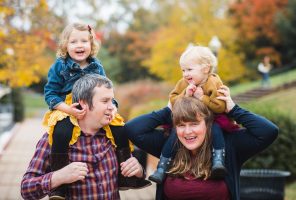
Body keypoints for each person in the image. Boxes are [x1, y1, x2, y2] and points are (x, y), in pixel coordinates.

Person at [43, 23, 147, 198]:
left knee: (120, 129)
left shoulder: (96, 66)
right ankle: (58, 185)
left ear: (91, 45)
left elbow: (106, 89)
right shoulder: (59, 66)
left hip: (96, 104)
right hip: (67, 106)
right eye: (73, 41)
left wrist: (112, 106)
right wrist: (68, 110)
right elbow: (50, 94)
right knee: (61, 131)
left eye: (84, 41)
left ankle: (124, 174)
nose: (79, 45)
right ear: (65, 45)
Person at [125, 85, 278, 200]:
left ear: (208, 124)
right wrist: (170, 108)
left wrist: (233, 109)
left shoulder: (229, 145)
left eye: (194, 124)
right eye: (181, 125)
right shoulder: (170, 146)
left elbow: (268, 132)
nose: (187, 132)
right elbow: (133, 129)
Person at [21, 74, 150, 200]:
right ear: (83, 104)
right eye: (105, 101)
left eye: (112, 101)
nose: (112, 107)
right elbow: (26, 189)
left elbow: (136, 174)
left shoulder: (115, 135)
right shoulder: (55, 138)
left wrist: (138, 170)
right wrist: (59, 177)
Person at [149, 45, 239, 184]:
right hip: (187, 120)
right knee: (173, 135)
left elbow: (220, 106)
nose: (185, 74)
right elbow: (172, 99)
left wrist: (202, 98)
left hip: (213, 118)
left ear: (206, 69)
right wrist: (185, 94)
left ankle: (218, 162)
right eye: (183, 70)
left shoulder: (214, 82)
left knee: (216, 130)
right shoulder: (184, 83)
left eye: (189, 69)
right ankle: (161, 168)